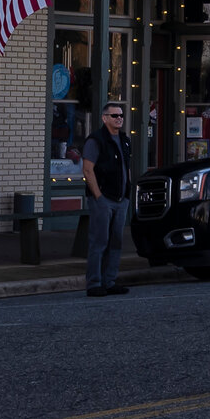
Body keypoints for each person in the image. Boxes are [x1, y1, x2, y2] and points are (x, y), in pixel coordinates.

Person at [81, 103, 133, 298]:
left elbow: (126, 168)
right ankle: (94, 283)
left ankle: (109, 281)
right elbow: (87, 169)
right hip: (103, 199)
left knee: (116, 242)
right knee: (99, 241)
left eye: (120, 115)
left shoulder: (125, 140)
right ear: (105, 118)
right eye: (114, 115)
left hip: (121, 200)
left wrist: (127, 192)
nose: (119, 118)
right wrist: (99, 197)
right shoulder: (96, 140)